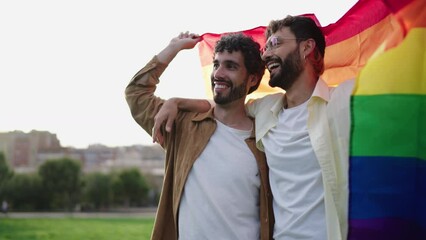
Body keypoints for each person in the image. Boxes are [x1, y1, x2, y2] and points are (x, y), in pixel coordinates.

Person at [153, 15, 355, 240]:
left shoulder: (344, 100)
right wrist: (176, 102)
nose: (267, 54)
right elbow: (226, 104)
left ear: (306, 47)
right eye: (266, 47)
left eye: (276, 44)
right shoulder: (265, 110)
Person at [125, 32, 274, 240]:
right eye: (216, 64)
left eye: (230, 66)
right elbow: (136, 93)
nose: (218, 74)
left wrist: (178, 101)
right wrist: (172, 48)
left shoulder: (267, 138)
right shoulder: (183, 125)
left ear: (252, 79)